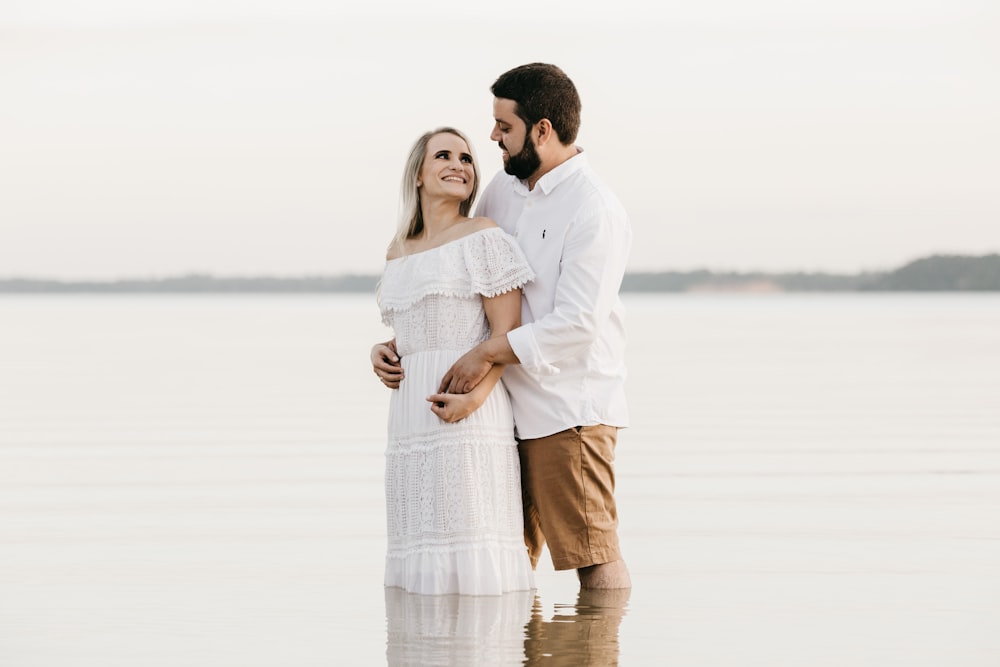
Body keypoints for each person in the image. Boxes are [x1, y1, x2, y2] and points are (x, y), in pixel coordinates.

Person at [373, 63, 632, 590]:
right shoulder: (503, 190)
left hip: (565, 408)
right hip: (499, 412)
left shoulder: (593, 207)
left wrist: (488, 357)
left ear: (541, 130)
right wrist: (398, 345)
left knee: (590, 553)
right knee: (508, 558)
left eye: (503, 127)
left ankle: (599, 644)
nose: (492, 138)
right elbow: (458, 293)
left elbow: (579, 322)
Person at [375, 126, 536, 596]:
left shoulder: (484, 236)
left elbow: (507, 337)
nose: (458, 165)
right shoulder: (398, 251)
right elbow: (417, 328)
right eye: (443, 156)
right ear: (418, 176)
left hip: (468, 410)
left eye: (466, 159)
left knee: (470, 541)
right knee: (419, 546)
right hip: (408, 417)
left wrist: (477, 399)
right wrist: (380, 350)